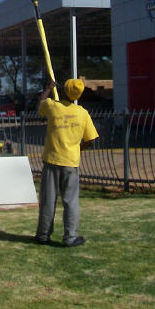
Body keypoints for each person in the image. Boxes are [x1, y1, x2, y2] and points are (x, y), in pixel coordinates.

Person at [35, 77, 98, 247]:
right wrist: (78, 148)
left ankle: (43, 235)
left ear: (63, 91)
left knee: (48, 200)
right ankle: (70, 237)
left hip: (52, 160)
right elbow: (91, 139)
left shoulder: (53, 107)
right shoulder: (82, 113)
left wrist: (49, 88)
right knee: (70, 201)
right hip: (71, 162)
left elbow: (40, 104)